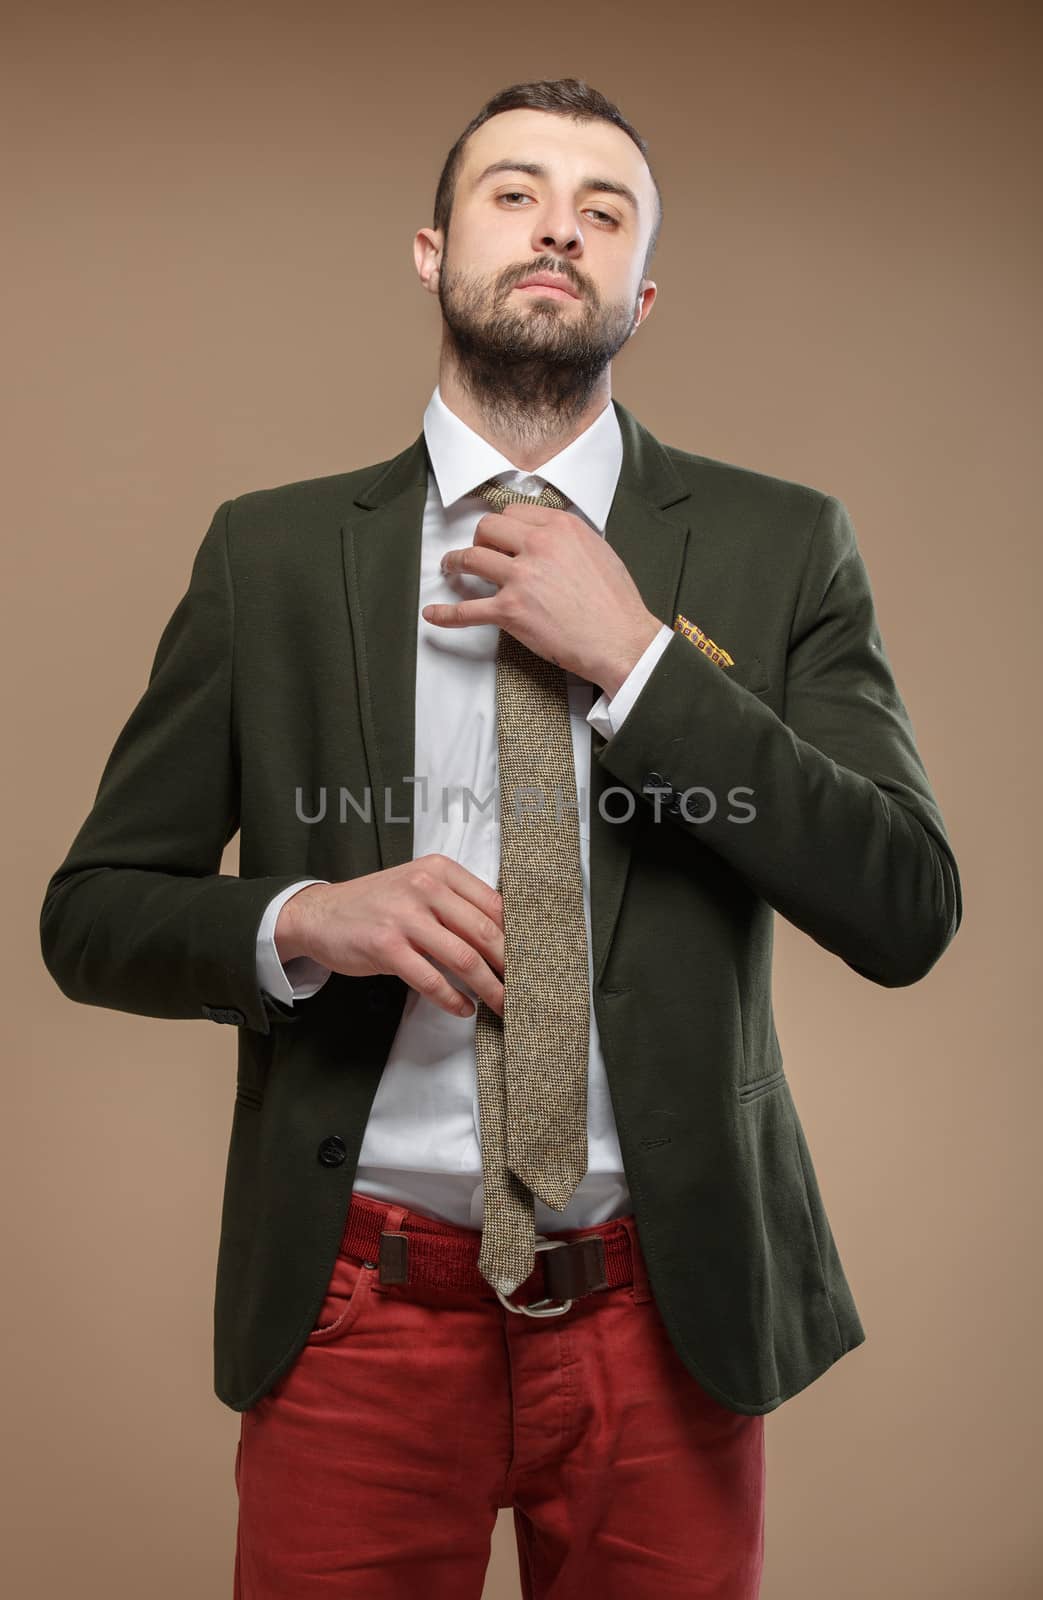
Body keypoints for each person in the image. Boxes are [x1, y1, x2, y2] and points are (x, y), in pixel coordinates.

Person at [39, 76, 962, 1599]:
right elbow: (90, 915)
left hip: (663, 1320)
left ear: (641, 292)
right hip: (355, 1313)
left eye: (604, 212)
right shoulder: (268, 556)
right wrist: (301, 921)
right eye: (516, 193)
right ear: (431, 251)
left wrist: (642, 665)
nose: (559, 228)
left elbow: (906, 903)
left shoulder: (781, 544)